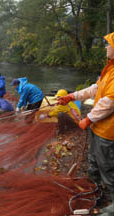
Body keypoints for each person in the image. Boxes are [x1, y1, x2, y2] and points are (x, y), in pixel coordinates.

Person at [58, 32, 114, 216]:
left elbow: (109, 102)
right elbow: (95, 89)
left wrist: (88, 119)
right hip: (99, 128)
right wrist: (72, 96)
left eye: (108, 44)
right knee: (95, 161)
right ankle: (99, 190)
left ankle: (112, 204)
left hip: (109, 131)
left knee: (108, 165)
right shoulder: (109, 69)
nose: (106, 47)